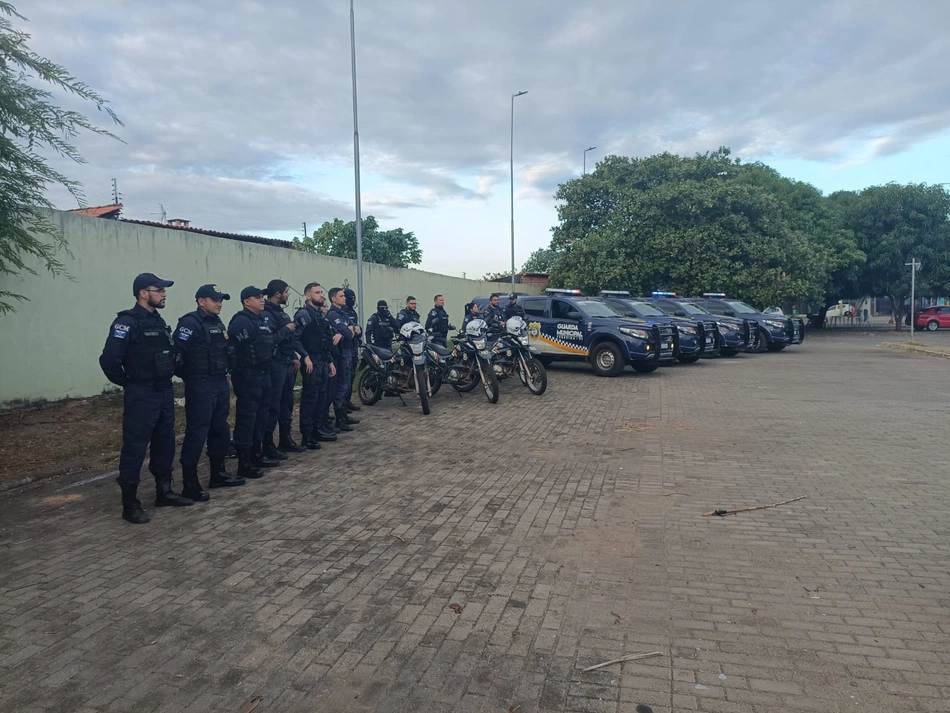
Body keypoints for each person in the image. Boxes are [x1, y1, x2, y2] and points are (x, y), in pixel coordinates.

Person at [100, 272, 192, 524]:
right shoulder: (127, 322)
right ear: (143, 293)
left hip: (163, 391)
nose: (163, 294)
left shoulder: (159, 322)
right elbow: (109, 360)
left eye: (163, 290)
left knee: (165, 441)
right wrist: (128, 383)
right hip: (141, 393)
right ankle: (129, 503)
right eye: (159, 290)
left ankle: (164, 491)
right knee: (135, 446)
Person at [174, 284, 245, 500]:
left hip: (219, 382)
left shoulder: (218, 323)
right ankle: (190, 482)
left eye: (221, 299)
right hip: (200, 384)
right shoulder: (190, 323)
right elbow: (177, 356)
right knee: (198, 431)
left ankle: (218, 473)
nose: (219, 303)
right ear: (200, 301)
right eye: (214, 299)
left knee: (220, 429)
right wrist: (192, 377)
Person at [228, 286, 287, 478]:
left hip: (265, 373)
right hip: (248, 376)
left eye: (262, 297)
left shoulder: (261, 319)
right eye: (257, 297)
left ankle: (257, 453)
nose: (262, 300)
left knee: (262, 415)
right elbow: (232, 350)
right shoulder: (241, 321)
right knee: (248, 418)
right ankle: (244, 462)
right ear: (247, 301)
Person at [263, 279, 310, 458]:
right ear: (278, 294)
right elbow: (271, 340)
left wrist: (293, 357)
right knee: (274, 405)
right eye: (286, 292)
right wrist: (287, 329)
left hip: (287, 363)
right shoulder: (267, 314)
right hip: (275, 365)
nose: (288, 295)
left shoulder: (279, 312)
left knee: (286, 403)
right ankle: (268, 444)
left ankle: (285, 438)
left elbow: (289, 340)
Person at [293, 282, 340, 448]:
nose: (321, 295)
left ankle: (317, 428)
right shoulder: (304, 314)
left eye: (321, 292)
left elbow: (325, 340)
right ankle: (307, 434)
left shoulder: (320, 315)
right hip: (311, 361)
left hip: (322, 360)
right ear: (308, 296)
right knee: (310, 398)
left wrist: (330, 362)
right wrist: (304, 356)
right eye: (317, 292)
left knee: (322, 397)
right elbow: (295, 338)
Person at [327, 287, 360, 432]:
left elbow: (357, 330)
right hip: (340, 355)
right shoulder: (333, 314)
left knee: (346, 384)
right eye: (341, 296)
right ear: (334, 299)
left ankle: (343, 415)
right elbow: (348, 332)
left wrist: (351, 329)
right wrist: (350, 330)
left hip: (348, 352)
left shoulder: (344, 313)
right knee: (341, 385)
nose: (345, 298)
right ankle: (339, 419)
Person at [341, 288, 362, 413]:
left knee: (352, 375)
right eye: (350, 298)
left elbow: (357, 328)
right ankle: (342, 404)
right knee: (345, 378)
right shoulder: (341, 312)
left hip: (353, 346)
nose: (352, 300)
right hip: (345, 347)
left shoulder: (352, 312)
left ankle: (347, 401)